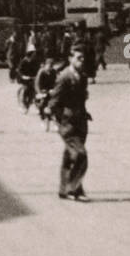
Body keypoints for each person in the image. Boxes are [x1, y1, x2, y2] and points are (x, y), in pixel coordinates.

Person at [50, 46, 91, 201]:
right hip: (68, 124)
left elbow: (81, 99)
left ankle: (65, 189)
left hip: (81, 122)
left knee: (70, 157)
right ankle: (72, 188)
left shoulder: (83, 76)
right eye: (78, 58)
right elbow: (54, 103)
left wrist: (85, 113)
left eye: (83, 58)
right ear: (70, 59)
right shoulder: (64, 77)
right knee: (81, 155)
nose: (82, 61)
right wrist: (61, 121)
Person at [35, 56, 59, 128]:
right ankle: (42, 118)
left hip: (51, 90)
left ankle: (57, 121)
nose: (50, 67)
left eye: (52, 66)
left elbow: (57, 82)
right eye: (49, 65)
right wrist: (39, 92)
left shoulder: (53, 72)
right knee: (42, 103)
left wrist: (56, 89)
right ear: (45, 65)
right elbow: (37, 83)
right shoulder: (41, 72)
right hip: (42, 90)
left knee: (57, 103)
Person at [16, 47, 40, 114]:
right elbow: (20, 71)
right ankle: (24, 105)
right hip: (25, 80)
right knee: (26, 90)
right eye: (33, 54)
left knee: (35, 91)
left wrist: (37, 75)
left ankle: (36, 105)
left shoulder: (35, 61)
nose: (34, 55)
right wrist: (24, 76)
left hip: (32, 79)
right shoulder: (24, 61)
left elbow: (37, 69)